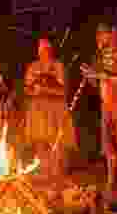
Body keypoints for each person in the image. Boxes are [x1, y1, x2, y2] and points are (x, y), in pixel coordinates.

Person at [81, 23, 117, 201]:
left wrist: (101, 76)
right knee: (109, 149)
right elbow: (97, 81)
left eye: (105, 35)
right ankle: (110, 185)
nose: (101, 38)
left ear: (115, 36)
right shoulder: (100, 57)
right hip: (106, 105)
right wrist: (90, 75)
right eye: (99, 35)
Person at [22, 37, 78, 180]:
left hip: (56, 107)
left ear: (51, 50)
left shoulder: (58, 66)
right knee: (40, 140)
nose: (43, 51)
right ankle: (43, 168)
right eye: (40, 49)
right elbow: (27, 88)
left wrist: (45, 90)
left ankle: (57, 169)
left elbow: (63, 90)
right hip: (37, 107)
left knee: (56, 140)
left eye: (46, 48)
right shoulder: (33, 66)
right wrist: (33, 91)